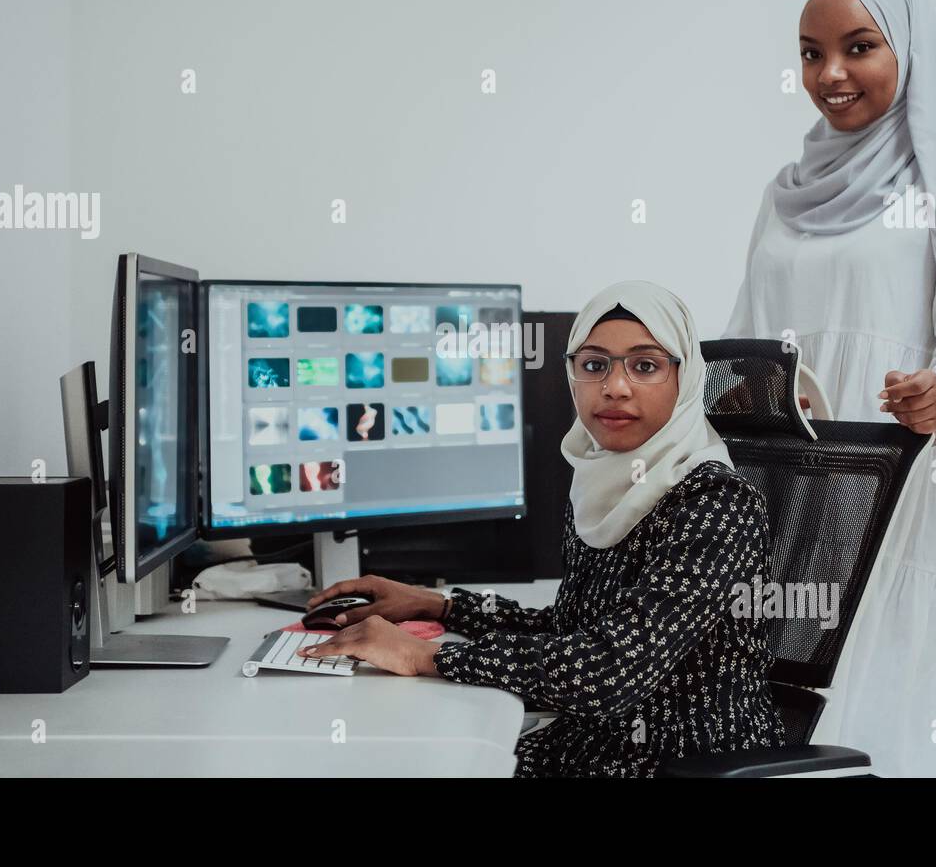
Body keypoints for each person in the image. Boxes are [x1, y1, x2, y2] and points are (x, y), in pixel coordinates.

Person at [723, 0, 936, 776]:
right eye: (810, 53)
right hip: (788, 499)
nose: (830, 74)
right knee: (790, 715)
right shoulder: (784, 193)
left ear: (909, 47)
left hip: (903, 484)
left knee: (900, 713)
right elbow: (742, 342)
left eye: (859, 47)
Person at [300, 280, 786, 777]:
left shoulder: (717, 504)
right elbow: (572, 632)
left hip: (673, 760)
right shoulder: (604, 480)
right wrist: (439, 605)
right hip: (591, 742)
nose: (615, 386)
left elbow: (608, 670)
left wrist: (430, 657)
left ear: (685, 379)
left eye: (645, 366)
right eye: (594, 365)